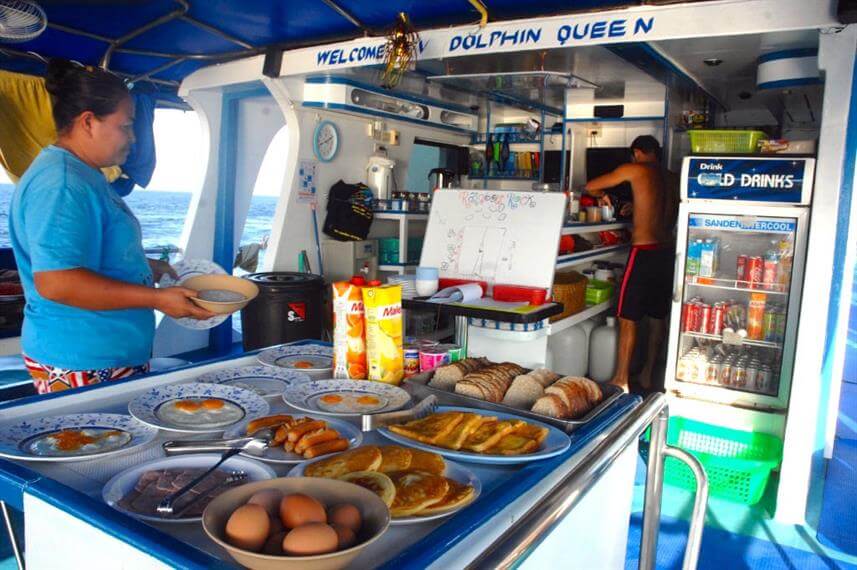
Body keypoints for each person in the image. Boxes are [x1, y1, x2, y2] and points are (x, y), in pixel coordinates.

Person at [9, 59, 214, 395]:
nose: (133, 138)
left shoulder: (82, 174)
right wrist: (157, 299)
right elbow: (58, 282)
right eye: (126, 126)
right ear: (88, 122)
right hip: (84, 358)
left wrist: (145, 267)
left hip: (103, 353)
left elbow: (87, 252)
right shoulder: (62, 184)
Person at [583, 135, 678, 393]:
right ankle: (648, 374)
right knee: (658, 317)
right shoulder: (673, 177)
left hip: (643, 252)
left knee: (627, 317)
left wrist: (603, 196)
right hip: (667, 252)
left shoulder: (634, 169)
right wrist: (634, 205)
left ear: (636, 152)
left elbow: (591, 185)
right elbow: (656, 206)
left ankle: (621, 379)